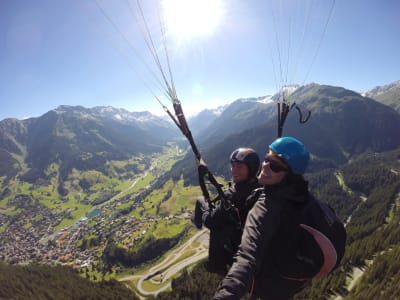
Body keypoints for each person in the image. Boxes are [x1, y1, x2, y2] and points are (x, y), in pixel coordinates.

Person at [213, 137, 343, 300]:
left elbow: (246, 257)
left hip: (266, 286)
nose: (266, 165)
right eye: (267, 158)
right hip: (290, 285)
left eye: (274, 165)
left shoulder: (266, 207)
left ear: (289, 174)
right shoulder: (306, 198)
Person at [193, 147, 261, 274]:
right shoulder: (259, 187)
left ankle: (215, 264)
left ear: (251, 169)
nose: (234, 170)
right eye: (233, 165)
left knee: (201, 202)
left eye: (239, 166)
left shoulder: (233, 196)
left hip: (234, 245)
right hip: (247, 241)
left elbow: (210, 221)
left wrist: (205, 212)